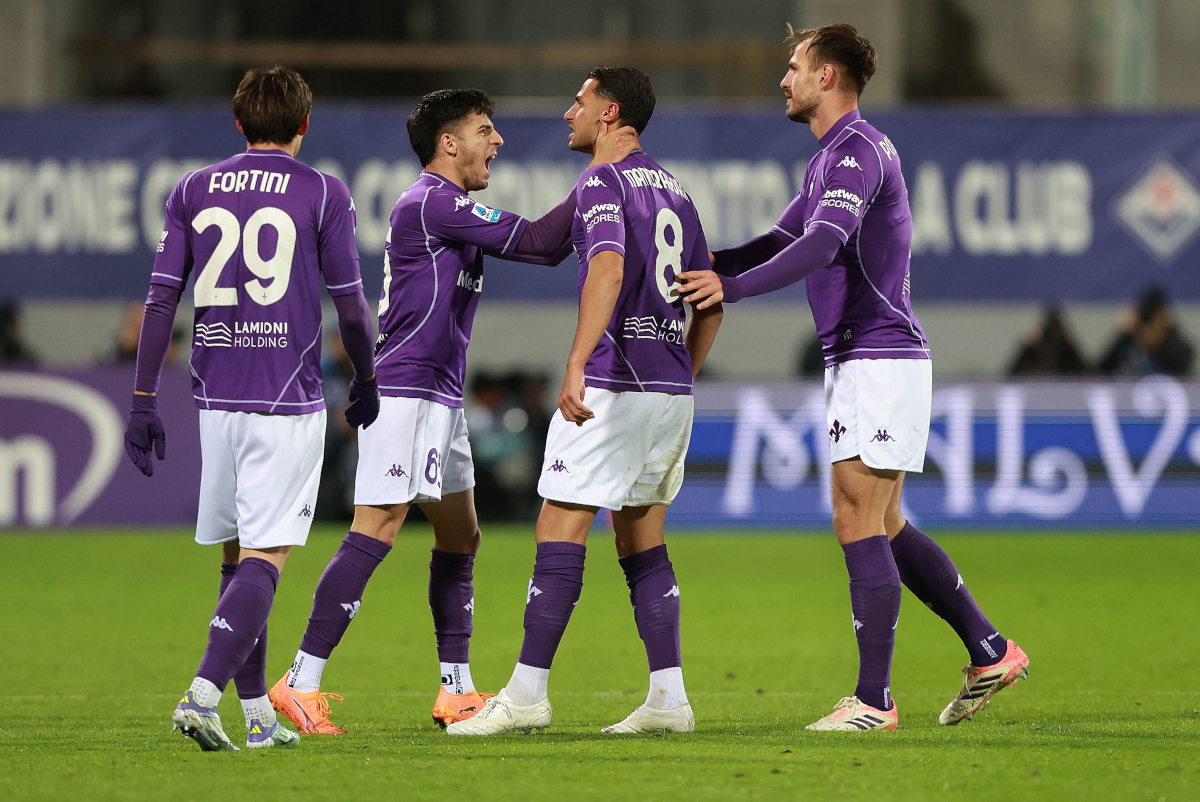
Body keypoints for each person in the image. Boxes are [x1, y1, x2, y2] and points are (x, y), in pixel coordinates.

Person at [677, 24, 1028, 731]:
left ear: (828, 76)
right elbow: (780, 240)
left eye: (794, 66)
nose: (784, 79)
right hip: (864, 358)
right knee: (885, 521)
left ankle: (874, 701)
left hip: (879, 355)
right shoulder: (833, 158)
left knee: (855, 516)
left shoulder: (858, 152)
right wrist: (711, 262)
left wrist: (730, 291)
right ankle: (990, 649)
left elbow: (822, 244)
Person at [268, 89, 639, 733]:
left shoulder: (449, 207)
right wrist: (606, 177)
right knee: (376, 527)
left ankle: (455, 687)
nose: (497, 141)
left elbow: (542, 244)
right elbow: (540, 243)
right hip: (406, 391)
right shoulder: (434, 203)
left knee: (460, 533)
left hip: (441, 396)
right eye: (485, 130)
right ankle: (300, 679)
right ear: (450, 143)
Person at [447, 67, 724, 737]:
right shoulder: (675, 193)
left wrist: (575, 363)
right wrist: (678, 374)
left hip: (614, 384)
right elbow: (710, 300)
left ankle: (525, 696)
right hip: (667, 390)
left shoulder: (605, 181)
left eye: (581, 98)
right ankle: (669, 700)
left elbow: (607, 268)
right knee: (640, 537)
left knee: (559, 526)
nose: (569, 108)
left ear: (609, 113)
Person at [123, 66, 380, 751]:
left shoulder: (191, 188)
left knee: (240, 558)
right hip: (285, 399)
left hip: (215, 398)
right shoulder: (322, 190)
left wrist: (145, 396)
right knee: (268, 558)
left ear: (238, 123)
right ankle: (202, 695)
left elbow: (159, 300)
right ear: (304, 125)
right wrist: (367, 376)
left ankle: (258, 716)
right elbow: (351, 302)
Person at [1099, 284, 1193, 377]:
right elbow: (1100, 370)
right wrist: (1123, 333)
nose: (1149, 334)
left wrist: (1168, 332)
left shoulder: (1170, 340)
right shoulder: (1128, 340)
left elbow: (1184, 366)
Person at [1008, 303, 1087, 376]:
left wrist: (1069, 345)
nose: (1051, 338)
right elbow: (1011, 377)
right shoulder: (1031, 354)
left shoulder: (1066, 355)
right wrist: (1027, 346)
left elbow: (1086, 377)